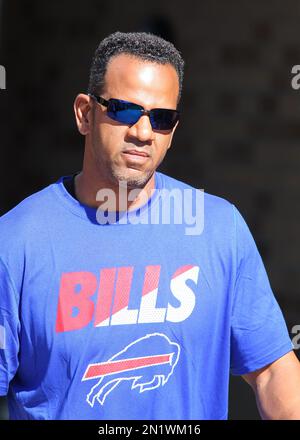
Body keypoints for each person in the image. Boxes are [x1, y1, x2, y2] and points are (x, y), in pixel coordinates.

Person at [0, 31, 299, 421]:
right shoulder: (17, 241)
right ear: (85, 114)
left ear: (172, 131)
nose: (142, 132)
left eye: (161, 118)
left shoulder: (218, 228)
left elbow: (273, 371)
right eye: (124, 110)